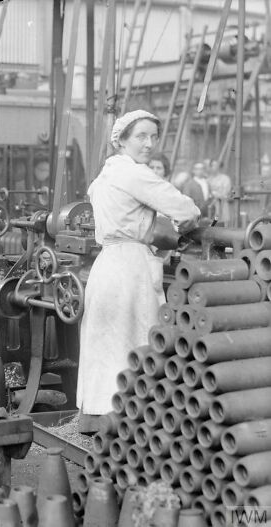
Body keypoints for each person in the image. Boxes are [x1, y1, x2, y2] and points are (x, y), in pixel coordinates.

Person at [77, 110, 200, 432]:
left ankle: (97, 417)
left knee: (105, 343)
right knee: (134, 340)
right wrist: (182, 224)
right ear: (122, 140)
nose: (149, 144)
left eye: (153, 136)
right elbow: (186, 208)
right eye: (141, 136)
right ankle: (130, 418)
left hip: (106, 265)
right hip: (130, 268)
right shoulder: (133, 173)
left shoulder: (104, 176)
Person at [207, 160, 232, 225]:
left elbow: (226, 193)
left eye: (215, 165)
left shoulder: (225, 178)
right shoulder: (208, 179)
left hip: (222, 205)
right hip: (211, 206)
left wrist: (215, 194)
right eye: (212, 165)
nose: (213, 167)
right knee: (211, 224)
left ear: (219, 166)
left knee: (222, 224)